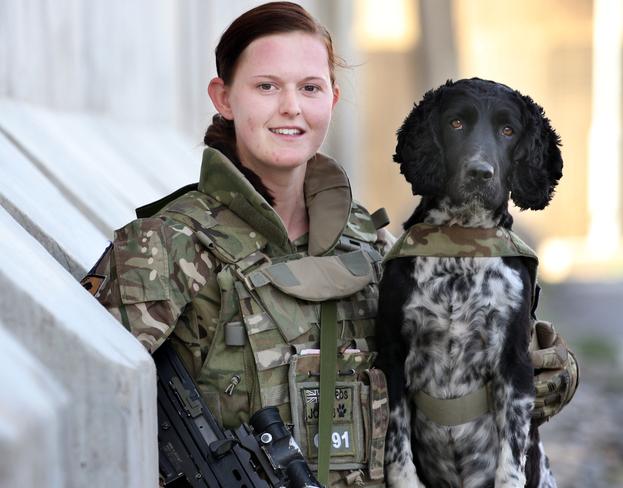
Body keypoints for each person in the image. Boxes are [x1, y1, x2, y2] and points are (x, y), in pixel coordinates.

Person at [82, 2, 577, 486]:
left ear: (333, 99)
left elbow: (455, 382)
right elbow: (85, 403)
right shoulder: (167, 248)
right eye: (266, 86)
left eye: (310, 87)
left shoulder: (374, 243)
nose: (291, 106)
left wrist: (551, 370)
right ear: (224, 97)